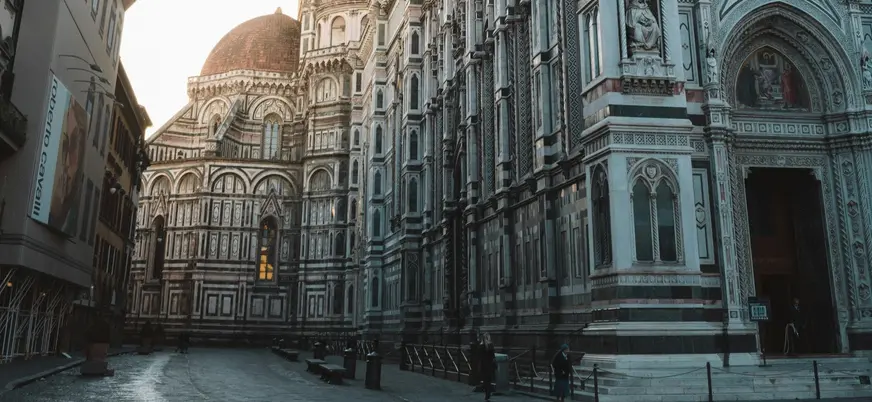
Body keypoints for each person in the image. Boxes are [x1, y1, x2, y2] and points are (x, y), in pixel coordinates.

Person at [480, 334, 496, 401]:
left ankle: (487, 393)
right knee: (489, 380)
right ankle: (488, 393)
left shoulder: (481, 346)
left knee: (485, 380)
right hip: (490, 365)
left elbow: (479, 356)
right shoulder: (491, 345)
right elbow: (493, 356)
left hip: (484, 365)